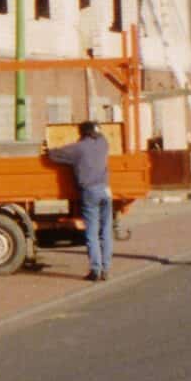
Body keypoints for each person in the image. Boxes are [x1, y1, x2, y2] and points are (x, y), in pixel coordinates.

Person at [47, 119, 116, 283]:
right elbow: (100, 136)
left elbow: (53, 155)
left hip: (90, 191)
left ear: (81, 133)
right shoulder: (103, 144)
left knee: (92, 232)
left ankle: (95, 270)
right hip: (106, 190)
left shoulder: (78, 148)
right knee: (105, 231)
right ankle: (106, 269)